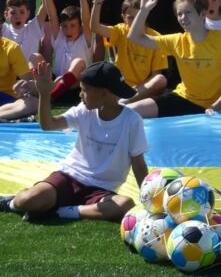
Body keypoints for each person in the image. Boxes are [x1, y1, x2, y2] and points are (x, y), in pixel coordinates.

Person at [0, 60, 147, 223]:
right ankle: (11, 202)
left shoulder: (132, 120)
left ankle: (61, 211)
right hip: (69, 177)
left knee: (125, 205)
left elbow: (138, 164)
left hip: (102, 190)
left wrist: (148, 200)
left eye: (84, 90)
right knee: (28, 200)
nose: (80, 95)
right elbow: (48, 124)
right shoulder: (84, 111)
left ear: (104, 94)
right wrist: (44, 94)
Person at [127, 0, 221, 118]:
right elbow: (134, 37)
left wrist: (214, 108)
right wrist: (144, 9)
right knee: (130, 112)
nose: (182, 18)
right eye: (179, 14)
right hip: (182, 99)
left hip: (212, 106)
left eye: (188, 12)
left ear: (203, 14)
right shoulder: (177, 40)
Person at [90, 0, 167, 104]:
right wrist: (98, 1)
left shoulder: (155, 37)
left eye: (138, 16)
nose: (135, 21)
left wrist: (135, 90)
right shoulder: (120, 31)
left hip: (142, 88)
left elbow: (155, 75)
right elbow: (95, 27)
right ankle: (125, 100)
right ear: (123, 18)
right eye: (130, 18)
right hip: (119, 85)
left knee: (160, 80)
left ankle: (124, 102)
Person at [37, 0, 92, 105]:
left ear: (80, 27)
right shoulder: (60, 37)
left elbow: (85, 19)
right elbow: (52, 16)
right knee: (35, 57)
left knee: (78, 62)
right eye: (65, 26)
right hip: (56, 82)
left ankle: (49, 97)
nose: (68, 30)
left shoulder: (85, 40)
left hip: (75, 87)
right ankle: (33, 91)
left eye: (73, 26)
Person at [2, 0, 45, 66]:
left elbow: (45, 6)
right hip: (10, 75)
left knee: (36, 57)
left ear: (28, 13)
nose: (18, 16)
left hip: (29, 74)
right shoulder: (4, 29)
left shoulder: (33, 28)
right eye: (13, 13)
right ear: (6, 14)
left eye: (22, 12)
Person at [0, 28, 35, 121]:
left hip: (6, 100)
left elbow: (29, 82)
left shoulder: (11, 48)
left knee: (34, 103)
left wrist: (25, 87)